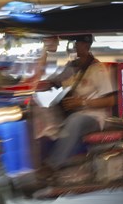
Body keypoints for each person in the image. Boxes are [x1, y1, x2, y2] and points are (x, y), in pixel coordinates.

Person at [35, 34, 117, 179]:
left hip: (93, 117)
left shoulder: (97, 69)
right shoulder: (71, 67)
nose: (73, 47)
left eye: (76, 43)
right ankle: (37, 160)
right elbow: (53, 82)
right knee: (41, 114)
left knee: (75, 120)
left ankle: (53, 165)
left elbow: (111, 100)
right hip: (70, 113)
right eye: (73, 44)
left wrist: (83, 103)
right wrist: (33, 83)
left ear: (86, 46)